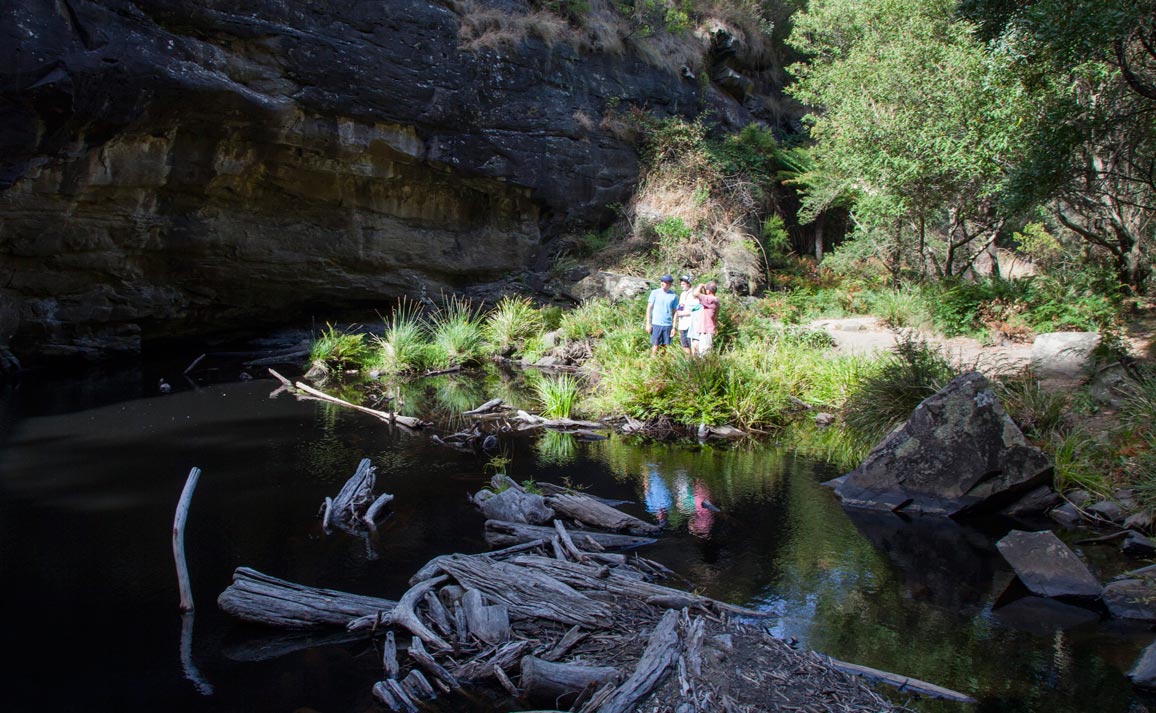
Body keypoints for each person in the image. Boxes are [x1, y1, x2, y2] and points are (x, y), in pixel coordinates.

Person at [645, 274, 678, 355]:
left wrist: (674, 327)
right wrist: (648, 323)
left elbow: (675, 312)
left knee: (665, 347)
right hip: (656, 323)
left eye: (665, 282)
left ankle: (663, 364)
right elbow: (649, 308)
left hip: (667, 325)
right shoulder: (655, 293)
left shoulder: (673, 296)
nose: (663, 283)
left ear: (670, 284)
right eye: (662, 281)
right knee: (655, 345)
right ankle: (653, 362)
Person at [692, 281, 719, 355]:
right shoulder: (711, 299)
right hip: (704, 331)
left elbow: (695, 294)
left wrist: (700, 286)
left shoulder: (711, 299)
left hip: (707, 331)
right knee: (700, 354)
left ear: (708, 291)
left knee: (705, 354)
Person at [674, 275, 697, 356]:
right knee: (685, 345)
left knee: (693, 345)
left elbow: (696, 310)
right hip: (682, 324)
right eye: (681, 284)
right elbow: (681, 305)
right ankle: (687, 363)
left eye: (683, 284)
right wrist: (679, 312)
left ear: (688, 284)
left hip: (690, 324)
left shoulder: (694, 294)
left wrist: (684, 313)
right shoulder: (682, 294)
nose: (682, 286)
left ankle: (694, 363)